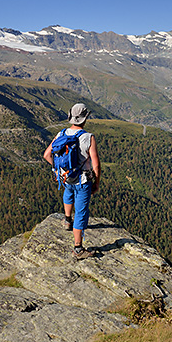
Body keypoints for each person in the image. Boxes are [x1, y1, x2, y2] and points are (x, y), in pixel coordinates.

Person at [43, 103, 101, 260]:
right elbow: (95, 163)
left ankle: (67, 220)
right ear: (85, 118)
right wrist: (96, 182)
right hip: (83, 180)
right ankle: (78, 249)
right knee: (81, 212)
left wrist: (58, 170)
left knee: (68, 194)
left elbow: (47, 154)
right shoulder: (88, 138)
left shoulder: (61, 133)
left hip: (66, 177)